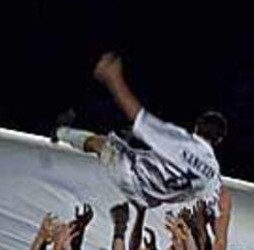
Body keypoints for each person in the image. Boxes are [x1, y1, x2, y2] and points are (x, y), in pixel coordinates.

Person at [53, 52, 227, 217]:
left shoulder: (182, 141)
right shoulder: (212, 172)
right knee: (134, 146)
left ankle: (61, 132)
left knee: (103, 144)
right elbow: (210, 207)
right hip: (150, 199)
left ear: (197, 126)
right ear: (219, 140)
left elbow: (139, 118)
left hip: (132, 176)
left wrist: (113, 78)